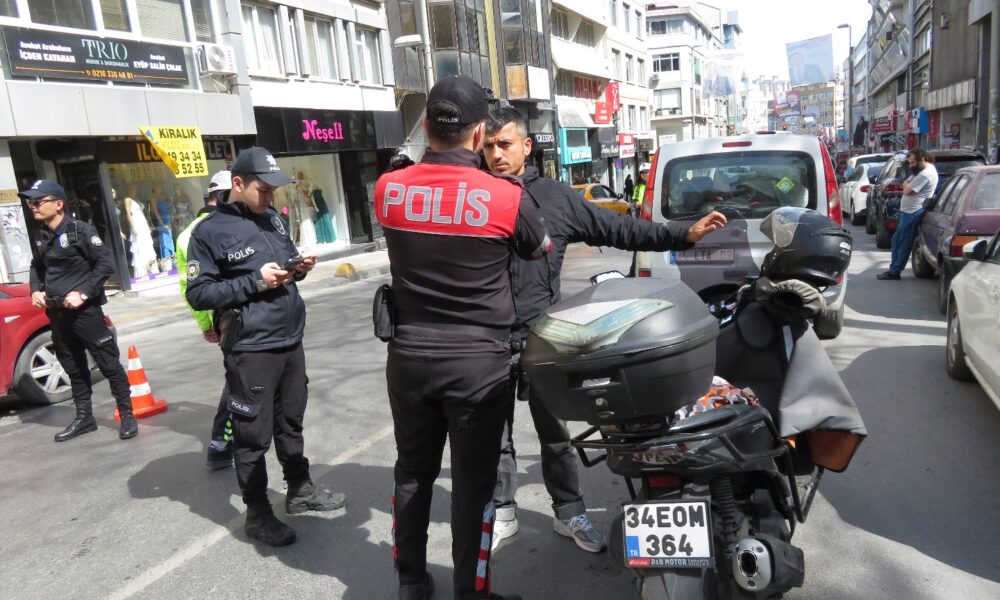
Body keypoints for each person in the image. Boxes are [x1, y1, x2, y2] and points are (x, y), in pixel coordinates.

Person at [482, 106, 728, 554]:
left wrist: (680, 234)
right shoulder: (474, 198)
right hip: (490, 340)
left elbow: (618, 228)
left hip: (543, 340)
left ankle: (569, 512)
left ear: (526, 146)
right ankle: (503, 512)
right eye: (489, 146)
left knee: (556, 434)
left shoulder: (554, 198)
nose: (497, 154)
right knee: (494, 438)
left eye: (505, 144)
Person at [375, 76, 551, 600]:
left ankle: (411, 582)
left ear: (425, 125)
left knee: (412, 471)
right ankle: (470, 593)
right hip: (478, 364)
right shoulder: (506, 197)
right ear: (478, 135)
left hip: (408, 356)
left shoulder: (388, 188)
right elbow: (539, 248)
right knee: (473, 485)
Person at [186, 147, 346, 546]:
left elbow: (284, 265)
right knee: (252, 434)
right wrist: (255, 281)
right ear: (238, 183)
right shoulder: (208, 232)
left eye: (274, 189)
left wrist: (298, 268)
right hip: (251, 347)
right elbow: (199, 294)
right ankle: (257, 513)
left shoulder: (272, 217)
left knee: (290, 421)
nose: (270, 196)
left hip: (290, 338)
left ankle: (300, 490)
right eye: (264, 189)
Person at [23, 180, 138, 443]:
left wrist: (83, 293)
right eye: (31, 202)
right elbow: (36, 266)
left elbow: (105, 264)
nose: (33, 207)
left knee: (109, 365)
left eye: (38, 201)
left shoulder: (80, 231)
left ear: (58, 204)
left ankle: (127, 415)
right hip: (57, 314)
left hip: (86, 314)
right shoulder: (41, 235)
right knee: (73, 367)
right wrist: (35, 290)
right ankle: (85, 418)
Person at [176, 171, 235, 469]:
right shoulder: (209, 230)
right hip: (232, 315)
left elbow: (186, 286)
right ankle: (221, 442)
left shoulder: (186, 233)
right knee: (240, 379)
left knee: (241, 377)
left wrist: (204, 324)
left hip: (222, 316)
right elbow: (193, 287)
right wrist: (207, 324)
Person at [878, 148, 938, 280]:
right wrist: (907, 184)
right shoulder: (920, 170)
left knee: (902, 242)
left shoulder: (925, 174)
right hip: (908, 212)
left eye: (913, 163)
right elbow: (905, 184)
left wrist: (907, 185)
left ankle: (895, 271)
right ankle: (894, 269)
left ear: (922, 159)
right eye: (909, 163)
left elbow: (906, 190)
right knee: (897, 240)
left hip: (913, 213)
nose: (911, 166)